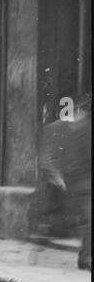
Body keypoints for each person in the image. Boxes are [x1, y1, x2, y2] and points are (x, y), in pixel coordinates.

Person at [39, 97, 92, 272]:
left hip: (85, 181)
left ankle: (85, 258)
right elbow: (46, 159)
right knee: (88, 219)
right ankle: (86, 258)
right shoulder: (56, 129)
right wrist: (57, 177)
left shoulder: (86, 128)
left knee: (87, 220)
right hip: (71, 185)